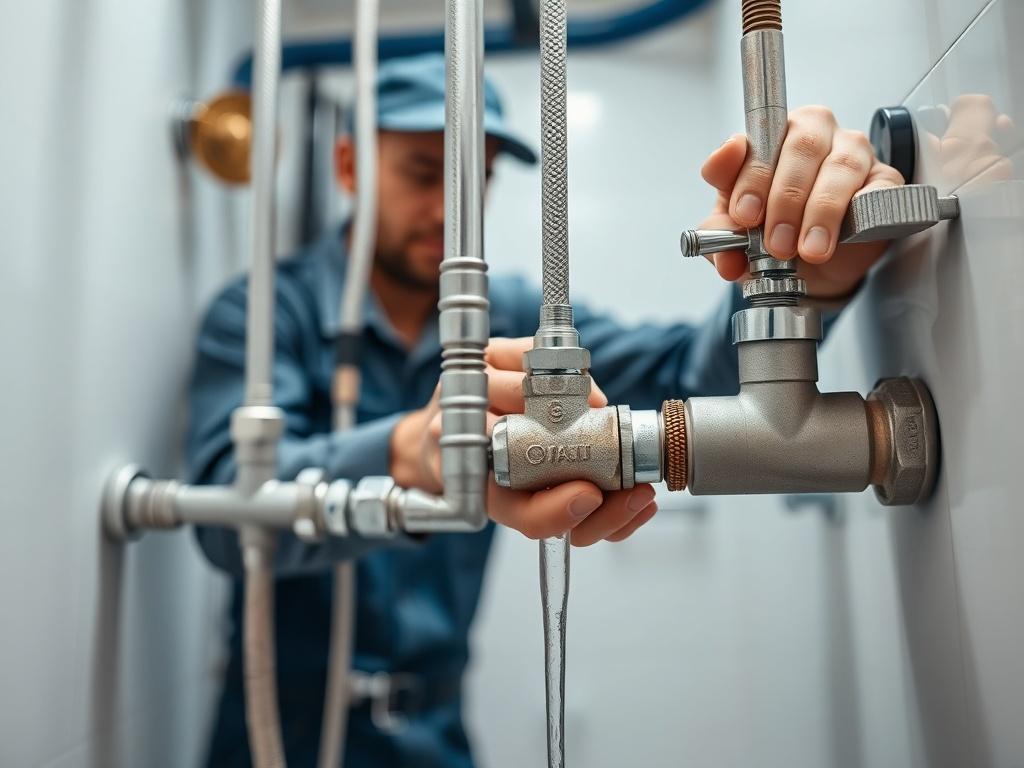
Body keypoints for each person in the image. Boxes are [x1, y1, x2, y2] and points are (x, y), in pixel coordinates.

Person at [188, 54, 902, 767]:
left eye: (476, 181)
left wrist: (808, 283)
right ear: (349, 166)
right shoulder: (262, 315)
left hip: (433, 737)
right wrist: (408, 452)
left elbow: (691, 376)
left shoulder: (516, 317)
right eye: (422, 174)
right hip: (273, 733)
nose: (448, 211)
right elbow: (226, 519)